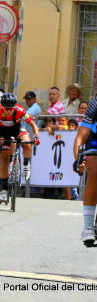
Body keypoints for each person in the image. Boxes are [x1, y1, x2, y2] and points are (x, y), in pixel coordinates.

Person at [0, 93, 39, 203]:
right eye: (6, 109)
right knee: (4, 158)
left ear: (15, 107)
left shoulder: (20, 110)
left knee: (27, 143)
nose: (8, 111)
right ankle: (4, 189)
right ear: (2, 107)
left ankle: (26, 163)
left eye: (11, 109)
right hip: (3, 132)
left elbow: (33, 125)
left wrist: (36, 136)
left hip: (17, 129)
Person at [73, 96, 97, 245]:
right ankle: (88, 227)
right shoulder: (96, 103)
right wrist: (78, 160)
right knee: (94, 173)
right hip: (95, 139)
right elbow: (79, 138)